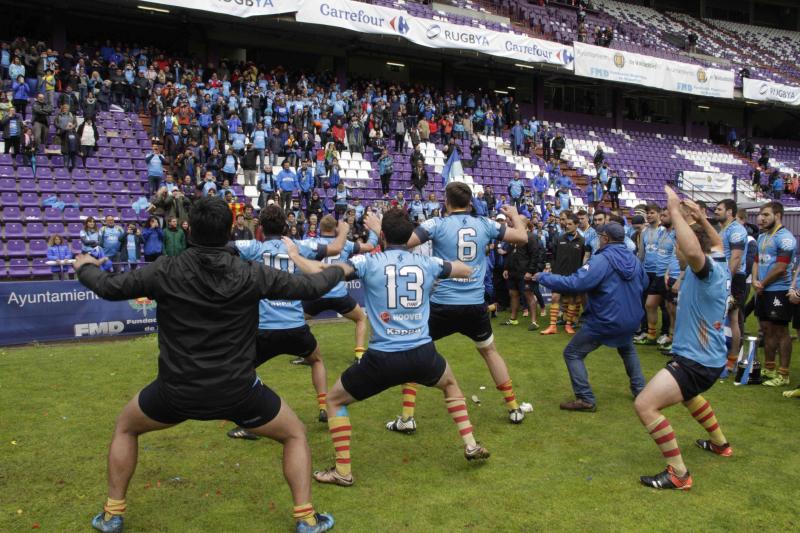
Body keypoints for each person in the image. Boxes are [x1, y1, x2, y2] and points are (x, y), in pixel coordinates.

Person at [77, 196, 346, 533]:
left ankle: (112, 514)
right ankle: (305, 518)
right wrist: (341, 268)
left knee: (126, 427)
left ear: (189, 228)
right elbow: (312, 285)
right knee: (295, 435)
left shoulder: (165, 269)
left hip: (176, 391)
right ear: (230, 230)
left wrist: (84, 266)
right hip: (238, 391)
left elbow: (107, 287)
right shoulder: (250, 273)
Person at [286, 209, 489, 489]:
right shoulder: (427, 263)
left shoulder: (368, 263)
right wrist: (445, 271)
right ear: (410, 236)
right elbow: (464, 269)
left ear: (381, 235)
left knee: (334, 400)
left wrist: (296, 257)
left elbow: (324, 272)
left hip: (382, 359)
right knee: (451, 385)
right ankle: (470, 443)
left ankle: (343, 470)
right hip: (422, 355)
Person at [387, 182, 530, 430]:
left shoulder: (437, 224)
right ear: (470, 202)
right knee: (490, 352)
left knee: (413, 351)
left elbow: (404, 242)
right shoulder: (485, 224)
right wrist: (516, 217)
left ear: (446, 202)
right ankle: (514, 407)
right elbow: (522, 237)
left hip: (442, 304)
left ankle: (407, 418)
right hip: (474, 305)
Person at [634, 187, 732, 491]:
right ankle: (720, 444)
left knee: (645, 405)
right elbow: (715, 241)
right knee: (689, 397)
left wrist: (675, 210)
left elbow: (693, 251)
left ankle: (678, 473)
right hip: (707, 360)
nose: (677, 249)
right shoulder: (719, 261)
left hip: (697, 361)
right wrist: (701, 218)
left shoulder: (705, 270)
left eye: (677, 244)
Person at [536, 222, 647, 412]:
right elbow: (644, 283)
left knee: (572, 353)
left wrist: (543, 277)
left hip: (606, 319)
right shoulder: (634, 260)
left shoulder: (601, 260)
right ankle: (641, 391)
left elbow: (575, 283)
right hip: (631, 318)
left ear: (605, 238)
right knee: (627, 349)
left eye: (599, 236)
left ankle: (585, 398)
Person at [302, 215, 378, 362]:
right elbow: (369, 246)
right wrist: (373, 231)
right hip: (339, 295)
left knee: (297, 319)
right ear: (336, 228)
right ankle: (359, 355)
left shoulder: (311, 243)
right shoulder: (345, 244)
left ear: (320, 228)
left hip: (317, 294)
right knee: (361, 318)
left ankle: (306, 354)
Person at [753, 201, 796, 387]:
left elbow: (781, 267)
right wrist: (755, 280)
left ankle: (784, 373)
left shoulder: (785, 238)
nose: (761, 218)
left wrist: (762, 283)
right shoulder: (762, 237)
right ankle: (769, 368)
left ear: (778, 216)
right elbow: (756, 261)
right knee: (766, 328)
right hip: (762, 289)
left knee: (781, 331)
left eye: (766, 215)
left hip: (778, 289)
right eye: (760, 215)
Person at [714, 200, 748, 370]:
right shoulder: (723, 230)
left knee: (733, 318)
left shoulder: (736, 230)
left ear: (729, 212)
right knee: (721, 316)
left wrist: (726, 280)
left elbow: (736, 258)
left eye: (719, 209)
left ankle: (732, 360)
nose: (715, 211)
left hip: (734, 279)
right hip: (724, 277)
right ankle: (720, 355)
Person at [541, 212, 586, 335]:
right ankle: (552, 326)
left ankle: (568, 325)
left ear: (577, 225)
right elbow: (553, 256)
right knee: (555, 297)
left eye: (570, 224)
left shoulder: (582, 241)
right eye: (566, 224)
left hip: (573, 277)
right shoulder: (559, 238)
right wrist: (553, 269)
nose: (567, 226)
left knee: (571, 300)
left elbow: (584, 259)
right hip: (558, 275)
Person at [501, 221, 545, 330]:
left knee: (529, 294)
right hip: (512, 271)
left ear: (524, 224)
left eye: (516, 222)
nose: (513, 224)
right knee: (513, 294)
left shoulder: (531, 237)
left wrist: (530, 271)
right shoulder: (514, 236)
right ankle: (513, 319)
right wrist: (506, 268)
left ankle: (534, 322)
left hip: (524, 272)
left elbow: (535, 255)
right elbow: (509, 253)